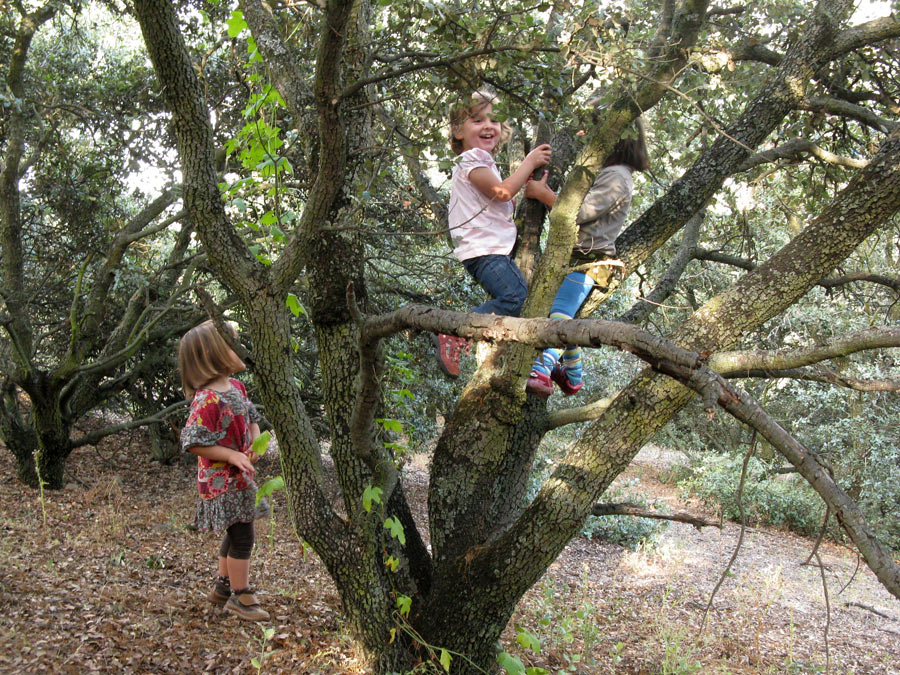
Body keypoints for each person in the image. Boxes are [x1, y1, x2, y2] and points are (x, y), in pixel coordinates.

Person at [523, 118, 649, 397]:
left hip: (590, 261)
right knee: (560, 312)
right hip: (580, 257)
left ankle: (542, 370)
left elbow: (580, 212)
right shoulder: (610, 172)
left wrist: (544, 195)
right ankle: (572, 375)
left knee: (559, 313)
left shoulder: (617, 175)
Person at [434, 90, 552, 378]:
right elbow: (502, 192)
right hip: (484, 250)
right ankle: (457, 330)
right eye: (477, 120)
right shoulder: (471, 158)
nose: (488, 126)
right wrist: (530, 162)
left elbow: (500, 197)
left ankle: (466, 331)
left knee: (514, 297)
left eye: (494, 120)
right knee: (515, 297)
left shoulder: (483, 162)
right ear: (457, 131)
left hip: (484, 249)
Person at [179, 320, 270, 621]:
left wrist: (256, 443)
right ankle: (241, 597)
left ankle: (223, 586)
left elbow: (252, 416)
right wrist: (231, 455)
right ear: (214, 355)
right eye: (233, 343)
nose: (240, 347)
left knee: (236, 530)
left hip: (240, 477)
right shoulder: (207, 398)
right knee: (243, 536)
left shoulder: (237, 387)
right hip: (221, 481)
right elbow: (193, 442)